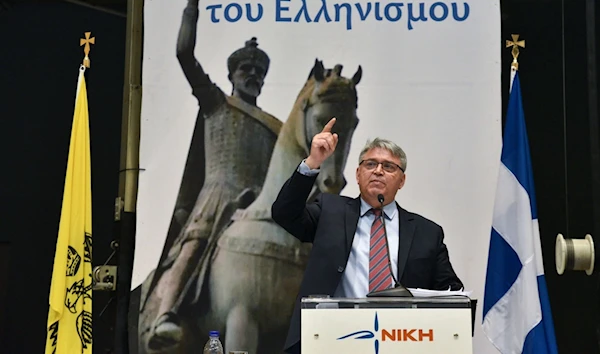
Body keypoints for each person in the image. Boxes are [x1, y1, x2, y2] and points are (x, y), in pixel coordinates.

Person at [143, 0, 282, 351]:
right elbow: (184, 54)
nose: (252, 75)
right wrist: (191, 9)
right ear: (232, 75)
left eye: (258, 71)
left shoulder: (275, 127)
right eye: (245, 69)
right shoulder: (216, 102)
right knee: (195, 245)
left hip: (258, 207)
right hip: (218, 197)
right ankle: (168, 313)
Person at [271, 118, 464, 354]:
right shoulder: (330, 211)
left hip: (403, 343)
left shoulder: (427, 233)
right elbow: (284, 213)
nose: (378, 171)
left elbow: (451, 294)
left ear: (401, 181)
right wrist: (313, 162)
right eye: (370, 164)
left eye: (389, 166)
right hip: (331, 340)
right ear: (358, 174)